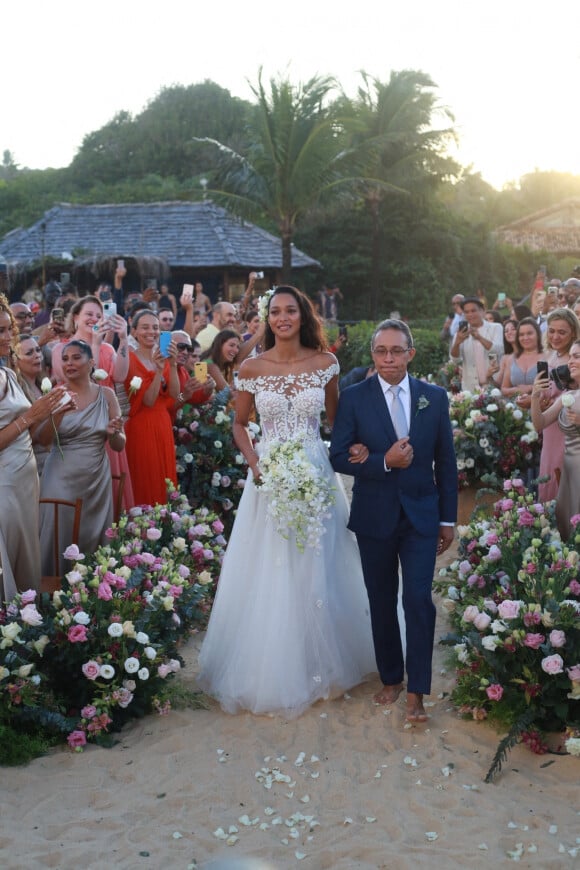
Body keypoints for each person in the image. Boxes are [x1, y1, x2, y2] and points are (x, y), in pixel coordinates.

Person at [197, 285, 376, 718]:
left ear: (303, 315)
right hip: (269, 475)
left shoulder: (326, 363)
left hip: (315, 470)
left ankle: (326, 661)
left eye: (290, 310)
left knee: (322, 559)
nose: (282, 318)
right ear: (266, 317)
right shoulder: (251, 367)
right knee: (273, 565)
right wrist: (257, 466)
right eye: (275, 311)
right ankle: (279, 665)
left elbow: (337, 423)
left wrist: (362, 449)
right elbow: (240, 425)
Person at [330, 318, 457, 723]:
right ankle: (391, 678)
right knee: (381, 600)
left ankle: (417, 690)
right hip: (374, 517)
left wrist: (449, 520)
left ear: (410, 353)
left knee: (418, 601)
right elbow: (336, 456)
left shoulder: (433, 397)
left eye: (396, 351)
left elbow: (447, 463)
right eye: (381, 351)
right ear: (372, 355)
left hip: (422, 516)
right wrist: (383, 461)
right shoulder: (353, 398)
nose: (388, 358)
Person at [0, 295, 69, 601]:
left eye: (7, 329)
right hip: (6, 483)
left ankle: (25, 623)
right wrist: (32, 415)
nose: (6, 336)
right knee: (11, 556)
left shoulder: (6, 373)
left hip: (25, 479)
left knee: (27, 555)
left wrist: (52, 412)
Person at [38, 340, 125, 577]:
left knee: (93, 537)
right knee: (58, 534)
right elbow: (44, 441)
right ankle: (51, 593)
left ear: (91, 362)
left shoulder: (106, 395)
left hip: (96, 479)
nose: (69, 363)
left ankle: (93, 597)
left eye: (76, 357)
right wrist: (56, 415)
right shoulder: (55, 395)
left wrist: (115, 432)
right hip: (59, 478)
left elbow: (119, 445)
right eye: (65, 359)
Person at [50, 295, 135, 511]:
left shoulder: (108, 349)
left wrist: (123, 339)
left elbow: (120, 376)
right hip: (79, 423)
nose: (94, 318)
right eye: (89, 314)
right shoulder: (62, 350)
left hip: (107, 419)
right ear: (76, 317)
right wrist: (95, 344)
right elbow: (84, 379)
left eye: (99, 315)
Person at [124, 310, 179, 506]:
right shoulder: (129, 360)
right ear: (135, 332)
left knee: (164, 477)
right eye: (145, 327)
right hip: (141, 425)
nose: (151, 332)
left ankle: (166, 525)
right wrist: (157, 371)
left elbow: (174, 394)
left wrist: (171, 366)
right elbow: (147, 400)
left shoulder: (163, 356)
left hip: (162, 423)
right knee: (146, 477)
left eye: (155, 327)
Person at [531, 342, 580, 540]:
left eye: (577, 356)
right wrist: (535, 396)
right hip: (569, 471)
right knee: (567, 528)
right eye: (571, 356)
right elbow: (539, 423)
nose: (571, 361)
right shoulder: (568, 395)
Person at [537, 308, 580, 502]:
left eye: (562, 332)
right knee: (549, 474)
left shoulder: (575, 362)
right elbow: (545, 393)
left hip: (570, 424)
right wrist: (533, 400)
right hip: (549, 427)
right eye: (551, 330)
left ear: (574, 333)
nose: (555, 336)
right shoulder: (549, 357)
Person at [450, 296, 504, 392]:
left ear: (483, 311)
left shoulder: (496, 327)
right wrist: (457, 342)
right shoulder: (460, 333)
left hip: (494, 385)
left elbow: (498, 350)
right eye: (466, 312)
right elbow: (455, 360)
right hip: (470, 389)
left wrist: (479, 337)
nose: (470, 314)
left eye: (473, 310)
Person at [13, 334, 50, 475]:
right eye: (29, 353)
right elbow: (23, 436)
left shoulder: (44, 385)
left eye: (38, 350)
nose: (37, 355)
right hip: (32, 466)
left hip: (51, 461)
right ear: (15, 361)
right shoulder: (17, 392)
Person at [500, 317, 545, 410]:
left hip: (539, 411)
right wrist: (516, 390)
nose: (525, 338)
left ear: (538, 334)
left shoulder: (546, 358)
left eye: (529, 333)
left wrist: (529, 388)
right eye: (521, 334)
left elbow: (547, 390)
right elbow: (504, 389)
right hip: (515, 414)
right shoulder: (512, 359)